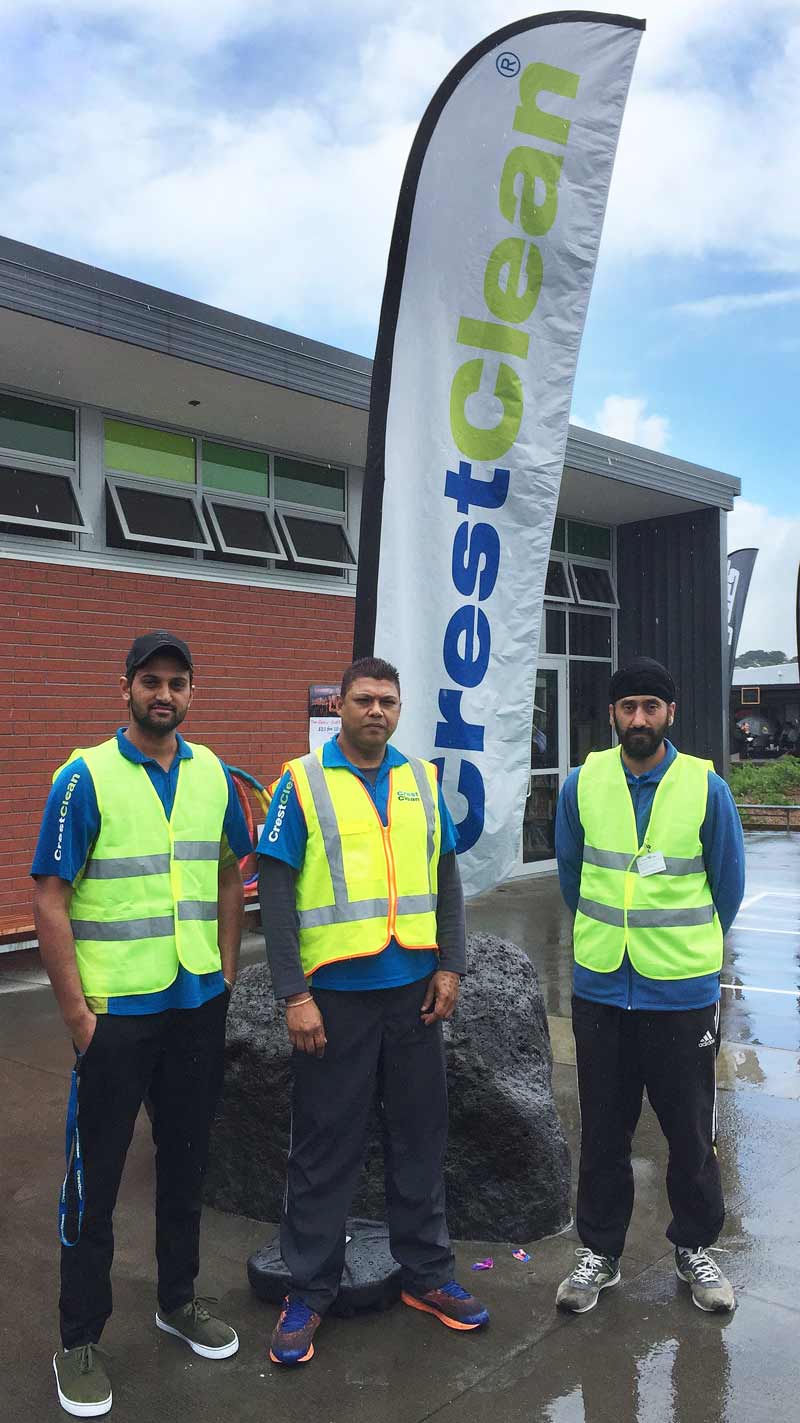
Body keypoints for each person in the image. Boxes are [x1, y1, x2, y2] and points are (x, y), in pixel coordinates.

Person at [32, 631, 252, 1417]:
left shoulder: (214, 775)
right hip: (116, 1019)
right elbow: (49, 899)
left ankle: (179, 1299)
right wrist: (78, 1017)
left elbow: (231, 872)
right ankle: (80, 1338)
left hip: (194, 1007)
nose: (165, 695)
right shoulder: (81, 777)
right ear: (123, 687)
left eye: (178, 683)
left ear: (192, 692)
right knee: (92, 1185)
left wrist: (226, 969)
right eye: (151, 681)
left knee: (187, 1168)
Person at [256, 655, 489, 1365]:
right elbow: (276, 890)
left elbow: (445, 874)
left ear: (399, 705)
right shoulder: (300, 782)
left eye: (388, 699)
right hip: (333, 1000)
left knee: (421, 1136)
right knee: (326, 1146)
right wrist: (292, 993)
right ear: (341, 706)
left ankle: (427, 1274)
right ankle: (309, 1288)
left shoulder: (421, 779)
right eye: (363, 699)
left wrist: (451, 962)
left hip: (414, 993)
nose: (376, 711)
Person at [554, 656, 745, 1317]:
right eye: (628, 706)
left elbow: (728, 884)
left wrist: (683, 952)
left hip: (678, 993)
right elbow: (572, 879)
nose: (639, 717)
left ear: (671, 714)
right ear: (612, 714)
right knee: (603, 1130)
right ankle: (600, 1252)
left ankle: (694, 1247)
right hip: (603, 988)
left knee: (689, 1134)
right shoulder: (581, 784)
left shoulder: (704, 786)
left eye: (651, 707)